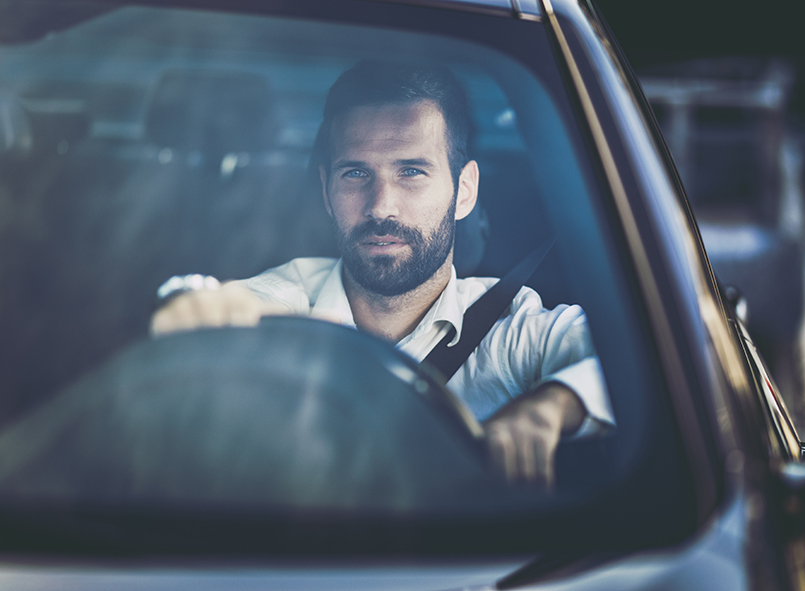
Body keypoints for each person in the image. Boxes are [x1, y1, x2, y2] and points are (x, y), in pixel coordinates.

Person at [150, 61, 613, 488]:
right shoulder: (292, 292)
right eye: (355, 174)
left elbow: (629, 362)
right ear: (327, 192)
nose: (380, 207)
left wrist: (551, 407)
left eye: (411, 171)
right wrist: (198, 307)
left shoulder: (514, 325)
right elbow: (226, 306)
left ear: (465, 190)